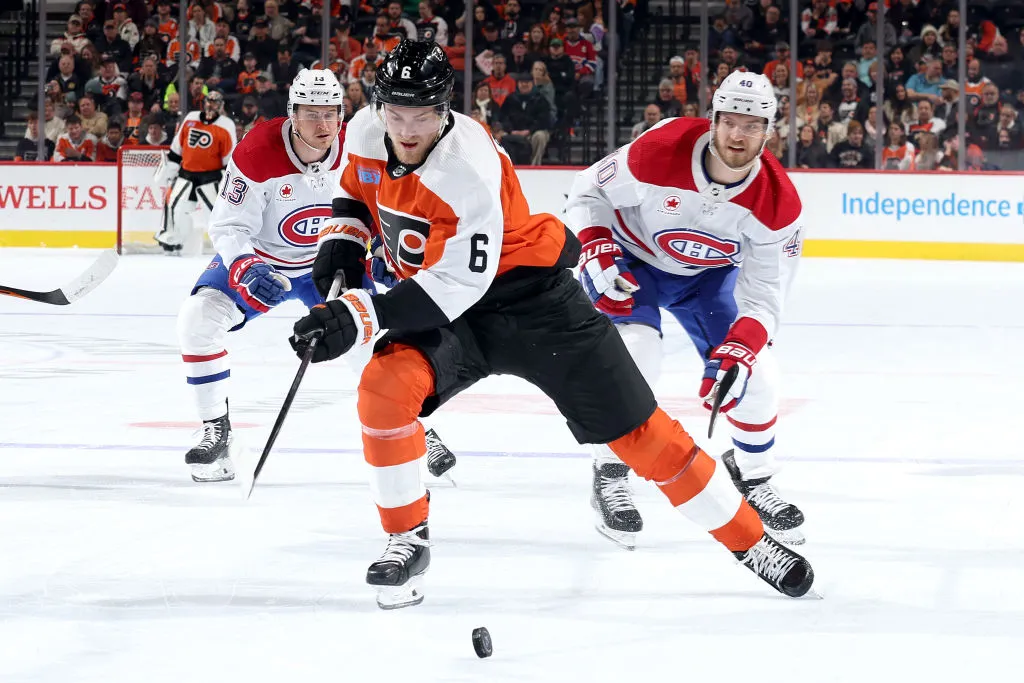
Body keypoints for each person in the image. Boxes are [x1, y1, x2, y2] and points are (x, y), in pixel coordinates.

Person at [288, 41, 815, 610]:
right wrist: (342, 243)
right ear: (377, 107)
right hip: (448, 303)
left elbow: (458, 286)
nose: (408, 129)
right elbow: (356, 193)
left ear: (446, 110)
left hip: (527, 298)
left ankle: (752, 542)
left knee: (642, 434)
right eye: (396, 114)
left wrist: (357, 316)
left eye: (423, 116)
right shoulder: (368, 131)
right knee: (383, 390)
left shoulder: (467, 167)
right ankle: (406, 538)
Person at [565, 71, 808, 550]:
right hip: (635, 264)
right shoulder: (662, 148)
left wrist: (742, 347)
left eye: (752, 124)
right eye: (730, 121)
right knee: (634, 358)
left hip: (709, 281)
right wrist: (594, 247)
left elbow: (766, 298)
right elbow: (586, 190)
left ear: (769, 130)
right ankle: (610, 469)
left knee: (755, 375)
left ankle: (754, 475)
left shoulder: (779, 203)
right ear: (713, 119)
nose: (738, 135)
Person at [175, 69, 349, 482]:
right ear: (292, 113)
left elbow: (379, 206)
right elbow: (228, 226)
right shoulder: (256, 150)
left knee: (378, 337)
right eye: (311, 113)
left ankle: (417, 429)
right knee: (197, 320)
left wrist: (379, 252)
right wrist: (246, 265)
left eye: (331, 113)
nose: (323, 125)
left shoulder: (359, 146)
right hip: (266, 263)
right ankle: (216, 429)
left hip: (328, 264)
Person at [154, 90, 236, 255]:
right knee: (174, 205)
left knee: (216, 212)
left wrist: (227, 179)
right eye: (209, 101)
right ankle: (170, 239)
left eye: (215, 102)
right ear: (204, 102)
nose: (211, 105)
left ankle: (225, 243)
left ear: (221, 106)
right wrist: (170, 167)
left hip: (211, 177)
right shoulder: (191, 118)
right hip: (186, 173)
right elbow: (178, 147)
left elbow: (229, 158)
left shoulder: (226, 125)